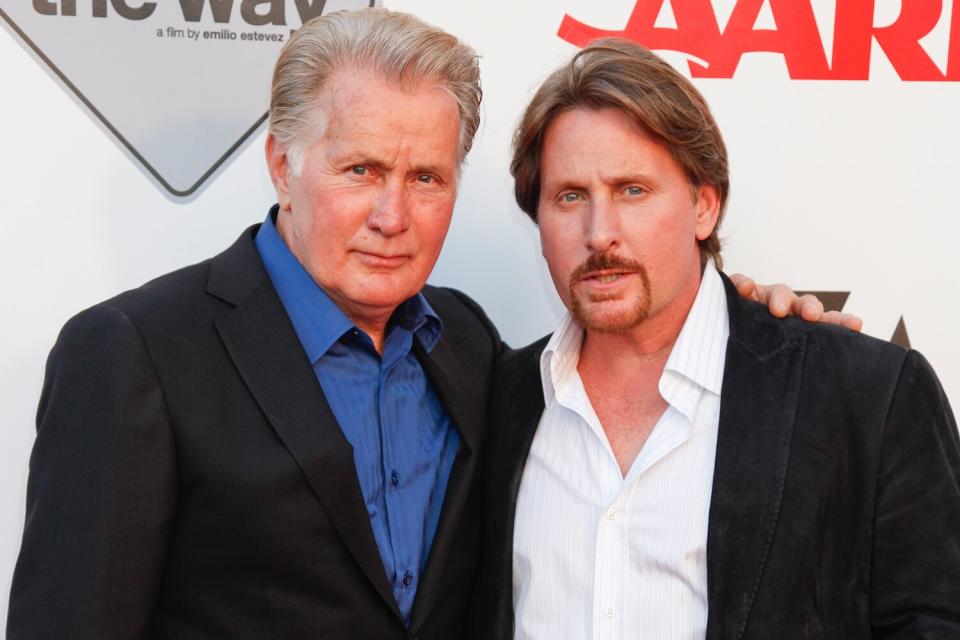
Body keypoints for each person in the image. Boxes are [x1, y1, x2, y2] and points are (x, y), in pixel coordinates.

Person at [8, 8, 855, 640]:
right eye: (361, 169)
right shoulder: (132, 353)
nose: (392, 214)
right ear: (282, 163)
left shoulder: (468, 346)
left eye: (427, 177)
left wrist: (752, 322)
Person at [482, 39, 960, 639]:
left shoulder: (866, 396)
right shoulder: (492, 401)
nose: (600, 233)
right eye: (570, 196)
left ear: (704, 206)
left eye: (633, 190)